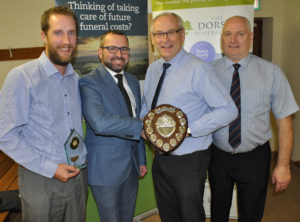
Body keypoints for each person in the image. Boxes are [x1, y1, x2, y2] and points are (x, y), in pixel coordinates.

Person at [140, 13, 238, 222]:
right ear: (153, 39)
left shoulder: (199, 69)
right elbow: (147, 108)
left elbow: (228, 109)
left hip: (189, 158)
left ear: (182, 35)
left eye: (170, 33)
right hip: (160, 158)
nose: (164, 39)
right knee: (168, 214)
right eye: (158, 34)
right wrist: (144, 126)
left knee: (190, 216)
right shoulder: (153, 69)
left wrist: (188, 130)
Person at [0, 6, 88, 222]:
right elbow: (5, 135)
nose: (66, 41)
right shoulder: (22, 77)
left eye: (71, 33)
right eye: (58, 32)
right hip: (40, 179)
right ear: (44, 36)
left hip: (77, 176)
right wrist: (50, 168)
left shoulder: (76, 79)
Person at [209, 16, 299, 222]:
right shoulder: (208, 72)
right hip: (218, 157)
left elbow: (285, 121)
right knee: (217, 213)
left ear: (250, 37)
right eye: (228, 34)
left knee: (251, 214)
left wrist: (283, 165)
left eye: (240, 33)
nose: (233, 39)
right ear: (221, 38)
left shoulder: (271, 72)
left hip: (254, 158)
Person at [79, 30, 147, 222]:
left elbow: (136, 116)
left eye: (124, 48)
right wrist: (140, 126)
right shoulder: (88, 81)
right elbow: (100, 123)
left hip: (132, 166)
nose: (119, 53)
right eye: (112, 48)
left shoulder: (133, 81)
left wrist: (141, 159)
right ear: (100, 52)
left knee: (127, 217)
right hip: (104, 170)